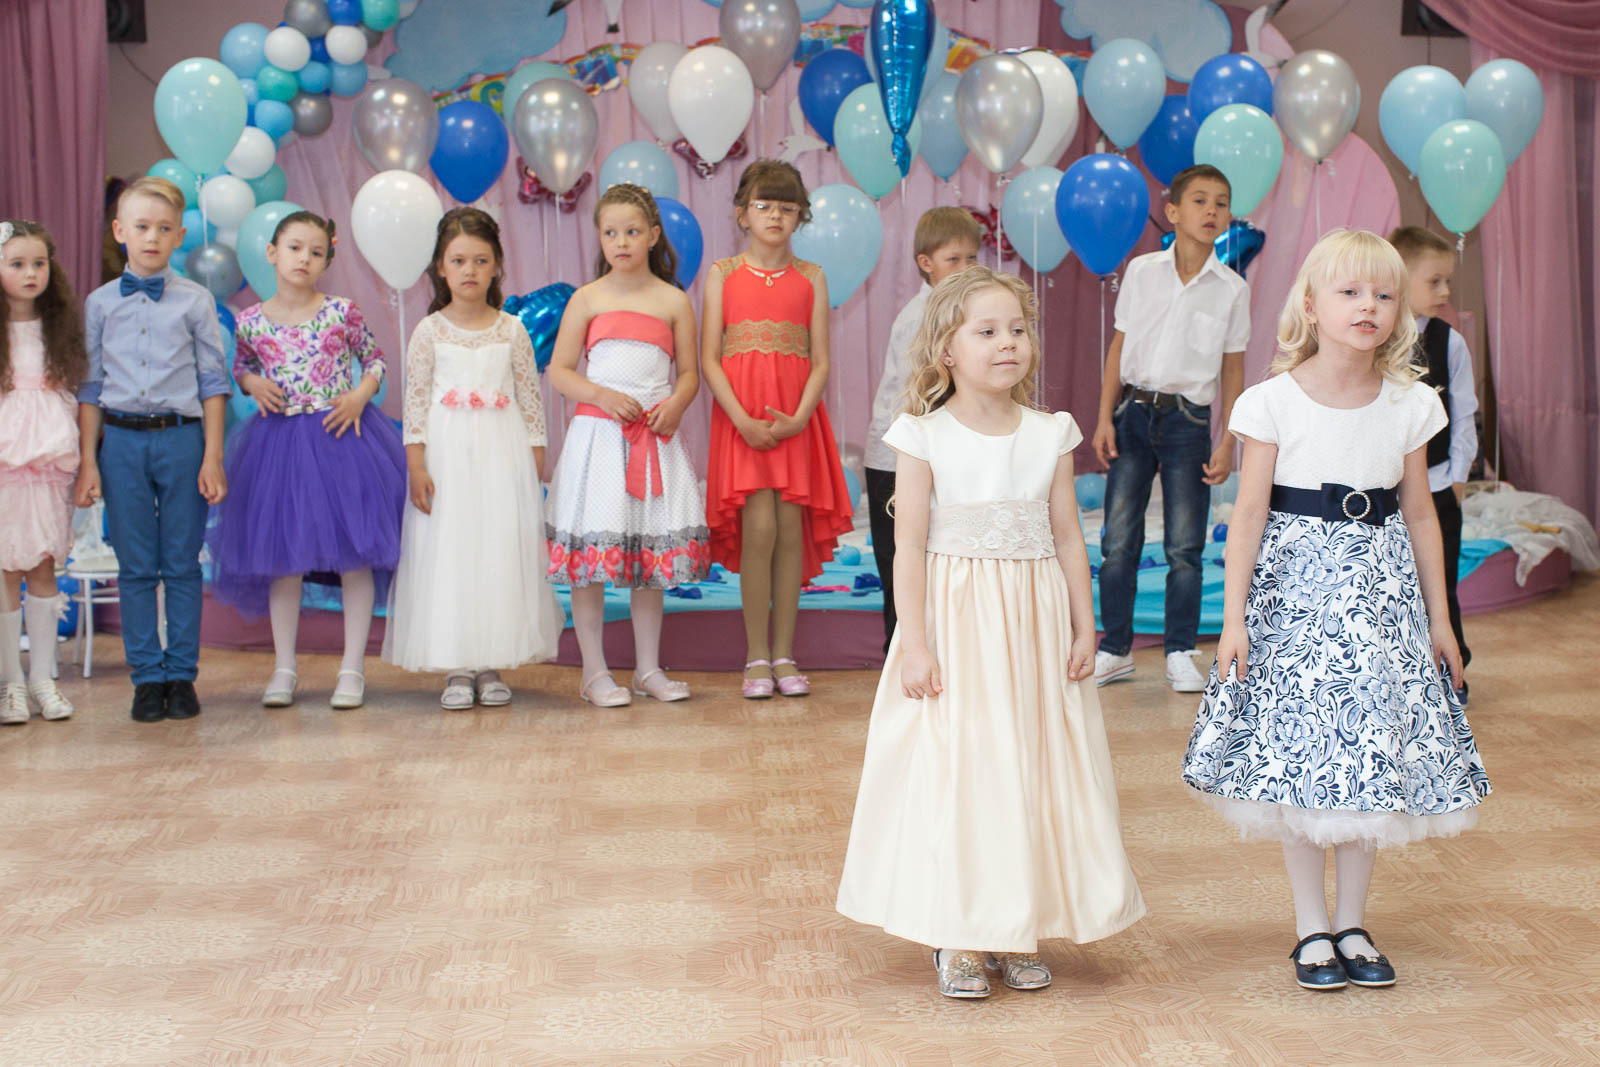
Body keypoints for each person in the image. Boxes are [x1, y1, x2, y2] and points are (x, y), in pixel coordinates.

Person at [1181, 230, 1490, 993]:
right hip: (1294, 602)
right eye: (1350, 292)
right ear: (1311, 305)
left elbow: (1421, 513)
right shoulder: (1271, 400)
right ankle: (1310, 927)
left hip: (1381, 605)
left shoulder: (1412, 403)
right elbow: (1248, 515)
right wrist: (1233, 619)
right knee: (1301, 759)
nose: (1369, 308)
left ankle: (1353, 920)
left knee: (1369, 758)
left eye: (1384, 295)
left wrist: (1440, 621)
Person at [837, 267, 1145, 999]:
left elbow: (1069, 536)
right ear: (945, 347)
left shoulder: (1049, 433)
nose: (1008, 342)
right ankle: (959, 932)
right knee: (964, 769)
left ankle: (1017, 924)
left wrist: (1084, 622)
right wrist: (914, 642)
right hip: (956, 626)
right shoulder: (922, 434)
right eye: (987, 330)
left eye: (1018, 329)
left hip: (1032, 627)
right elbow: (906, 545)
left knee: (1030, 765)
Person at [207, 211, 406, 710]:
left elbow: (376, 358)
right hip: (279, 448)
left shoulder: (342, 311)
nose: (305, 258)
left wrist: (361, 394)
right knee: (284, 562)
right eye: (295, 248)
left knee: (356, 557)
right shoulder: (250, 320)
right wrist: (251, 383)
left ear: (327, 261)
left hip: (343, 440)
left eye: (316, 251)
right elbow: (243, 366)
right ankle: (284, 667)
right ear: (272, 253)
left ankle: (352, 668)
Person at [382, 207, 563, 709]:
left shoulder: (511, 330)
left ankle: (491, 660)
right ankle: (458, 665)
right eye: (458, 260)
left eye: (480, 261)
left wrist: (535, 464)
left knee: (497, 551)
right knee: (454, 552)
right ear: (440, 267)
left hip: (503, 456)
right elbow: (415, 406)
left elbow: (531, 403)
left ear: (496, 267)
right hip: (447, 459)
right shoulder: (430, 331)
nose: (469, 271)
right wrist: (417, 466)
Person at [545, 183, 708, 706]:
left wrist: (677, 404)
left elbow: (689, 374)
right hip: (598, 442)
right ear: (600, 237)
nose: (621, 241)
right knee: (592, 557)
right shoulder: (587, 298)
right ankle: (594, 671)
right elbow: (561, 371)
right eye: (611, 232)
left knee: (648, 561)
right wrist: (602, 395)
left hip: (653, 441)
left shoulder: (673, 300)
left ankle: (646, 668)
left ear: (653, 236)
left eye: (632, 231)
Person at [76, 177, 230, 723]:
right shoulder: (97, 305)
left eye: (164, 229)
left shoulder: (196, 300)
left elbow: (214, 382)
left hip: (182, 439)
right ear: (120, 232)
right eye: (141, 227)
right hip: (119, 442)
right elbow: (91, 386)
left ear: (179, 236)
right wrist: (89, 461)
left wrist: (212, 456)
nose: (152, 237)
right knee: (137, 566)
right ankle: (147, 678)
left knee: (183, 564)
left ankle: (181, 675)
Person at [1092, 164, 1250, 692]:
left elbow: (1232, 368)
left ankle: (1181, 651)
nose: (1211, 211)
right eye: (1200, 200)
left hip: (1189, 421)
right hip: (1132, 413)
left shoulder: (1231, 289)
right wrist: (1103, 418)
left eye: (1221, 202)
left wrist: (1229, 438)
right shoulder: (1141, 272)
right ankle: (1115, 649)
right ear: (1174, 212)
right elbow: (1118, 346)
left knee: (1185, 545)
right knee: (1118, 539)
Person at [701, 160, 855, 698]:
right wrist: (742, 419)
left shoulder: (811, 277)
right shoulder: (722, 273)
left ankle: (785, 652)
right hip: (741, 421)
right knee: (758, 529)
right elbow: (710, 359)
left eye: (788, 208)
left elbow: (820, 362)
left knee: (790, 530)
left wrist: (799, 418)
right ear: (743, 213)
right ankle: (755, 656)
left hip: (795, 422)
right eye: (765, 205)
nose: (775, 216)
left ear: (800, 218)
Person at [862, 207, 981, 653]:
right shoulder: (923, 315)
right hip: (896, 461)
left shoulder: (959, 310)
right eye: (955, 259)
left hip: (927, 459)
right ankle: (902, 661)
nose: (966, 269)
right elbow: (931, 392)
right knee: (901, 568)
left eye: (973, 259)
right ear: (925, 263)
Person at [0, 219, 86, 723]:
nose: (31, 273)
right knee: (6, 568)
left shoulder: (60, 328)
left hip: (49, 457)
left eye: (39, 263)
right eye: (17, 264)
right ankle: (10, 683)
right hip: (5, 458)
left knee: (43, 566)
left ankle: (43, 680)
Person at [1388, 225, 1476, 704]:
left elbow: (1465, 413)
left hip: (1438, 486)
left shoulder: (1449, 343)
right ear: (1400, 278)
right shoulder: (1377, 338)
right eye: (1435, 281)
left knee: (1440, 582)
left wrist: (1459, 476)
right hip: (1386, 492)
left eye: (1448, 282)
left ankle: (1451, 668)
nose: (1445, 292)